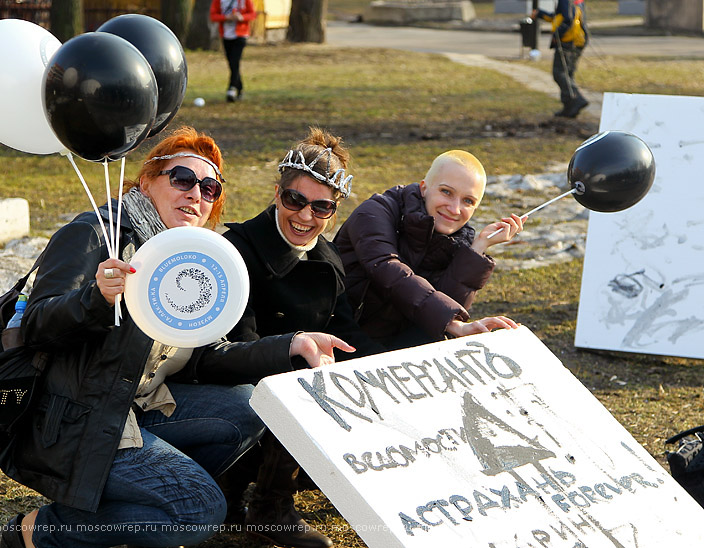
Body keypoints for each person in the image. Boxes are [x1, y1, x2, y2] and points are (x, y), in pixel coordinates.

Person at [0, 126, 354, 548]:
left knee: (249, 408)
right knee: (201, 509)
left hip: (140, 406)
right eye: (181, 179)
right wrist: (96, 298)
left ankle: (144, 505)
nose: (195, 194)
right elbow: (31, 326)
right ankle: (38, 533)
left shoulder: (192, 258)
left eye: (209, 188)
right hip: (75, 421)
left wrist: (290, 344)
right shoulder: (96, 235)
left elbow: (205, 358)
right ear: (147, 181)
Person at [220, 127, 383, 548]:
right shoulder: (237, 249)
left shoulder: (328, 261)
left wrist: (380, 374)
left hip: (294, 386)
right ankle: (265, 505)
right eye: (295, 200)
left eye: (322, 207)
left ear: (334, 211)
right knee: (296, 382)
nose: (306, 216)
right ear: (277, 193)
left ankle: (258, 501)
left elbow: (346, 333)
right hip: (233, 379)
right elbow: (236, 343)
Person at [334, 149, 523, 352]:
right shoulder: (376, 211)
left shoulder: (459, 242)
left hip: (389, 352)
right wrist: (453, 323)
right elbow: (389, 270)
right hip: (336, 336)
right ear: (424, 188)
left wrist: (478, 248)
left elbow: (437, 315)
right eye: (446, 192)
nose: (455, 209)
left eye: (468, 201)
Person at [534, 0, 589, 118]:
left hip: (568, 42)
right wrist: (540, 14)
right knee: (568, 74)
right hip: (578, 41)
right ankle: (569, 108)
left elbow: (567, 19)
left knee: (559, 73)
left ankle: (577, 99)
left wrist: (556, 35)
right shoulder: (576, 1)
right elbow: (559, 16)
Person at [210, 0, 256, 102]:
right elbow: (213, 16)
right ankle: (240, 88)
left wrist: (241, 17)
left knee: (235, 61)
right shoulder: (219, 1)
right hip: (226, 35)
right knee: (232, 63)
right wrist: (226, 18)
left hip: (241, 35)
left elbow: (252, 14)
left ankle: (231, 88)